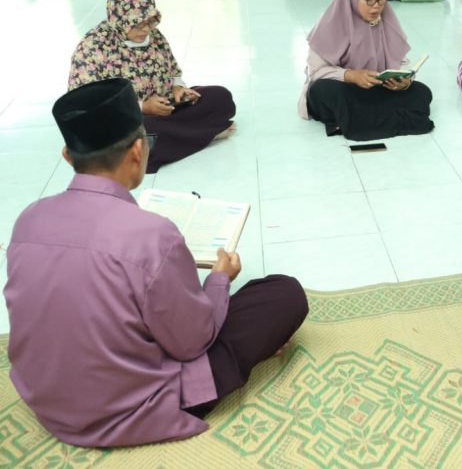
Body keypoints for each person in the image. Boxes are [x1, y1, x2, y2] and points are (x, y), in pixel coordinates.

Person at [4, 78, 308, 447]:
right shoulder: (152, 235)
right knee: (283, 294)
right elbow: (193, 342)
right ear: (137, 150)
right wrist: (219, 280)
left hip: (48, 400)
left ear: (68, 156)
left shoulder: (28, 219)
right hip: (135, 407)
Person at [68, 0, 236, 173]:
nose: (146, 30)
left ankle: (186, 137)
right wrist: (143, 107)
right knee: (142, 135)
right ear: (121, 20)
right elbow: (88, 106)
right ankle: (207, 135)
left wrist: (178, 88)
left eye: (150, 21)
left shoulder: (153, 34)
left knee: (220, 97)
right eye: (139, 24)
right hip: (124, 120)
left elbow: (172, 70)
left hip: (165, 107)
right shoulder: (92, 48)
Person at [298, 0, 435, 140]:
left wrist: (404, 82)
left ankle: (361, 120)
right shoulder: (331, 23)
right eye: (370, 0)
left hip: (375, 89)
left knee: (421, 92)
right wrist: (351, 76)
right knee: (322, 90)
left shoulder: (386, 20)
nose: (376, 7)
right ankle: (391, 119)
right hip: (345, 89)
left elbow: (398, 62)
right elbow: (316, 72)